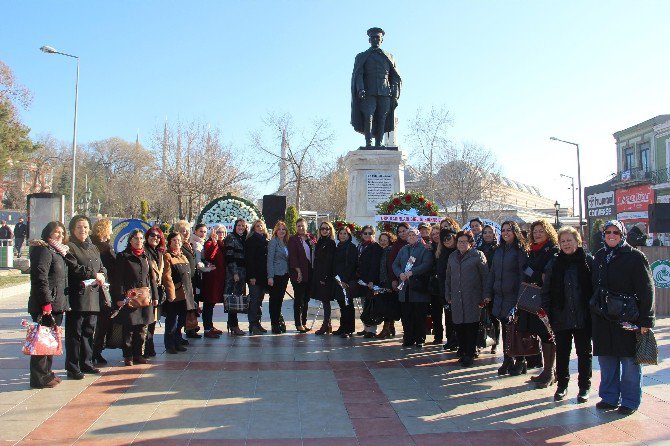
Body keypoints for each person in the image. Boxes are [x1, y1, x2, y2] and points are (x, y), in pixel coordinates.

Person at [591, 220, 654, 415]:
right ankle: (609, 397)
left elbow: (647, 289)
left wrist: (646, 320)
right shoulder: (600, 256)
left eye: (616, 232)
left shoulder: (635, 257)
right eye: (608, 232)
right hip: (603, 319)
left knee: (629, 364)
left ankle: (630, 401)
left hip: (628, 318)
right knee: (607, 362)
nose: (611, 235)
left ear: (622, 235)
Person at [544, 226, 593, 402]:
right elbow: (547, 290)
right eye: (562, 241)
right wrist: (548, 312)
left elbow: (595, 288)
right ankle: (562, 385)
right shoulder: (554, 263)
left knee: (584, 353)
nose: (566, 244)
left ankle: (584, 387)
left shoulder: (587, 261)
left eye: (569, 240)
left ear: (577, 241)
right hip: (561, 315)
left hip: (583, 316)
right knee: (563, 353)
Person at [27, 221, 70, 388]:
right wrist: (46, 303)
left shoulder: (58, 251)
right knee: (42, 341)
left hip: (56, 303)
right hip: (45, 305)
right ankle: (38, 378)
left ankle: (47, 373)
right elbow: (40, 278)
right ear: (48, 233)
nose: (59, 235)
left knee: (50, 340)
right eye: (56, 232)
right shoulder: (44, 250)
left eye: (62, 232)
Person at [64, 215, 107, 379]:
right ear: (73, 230)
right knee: (75, 333)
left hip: (93, 295)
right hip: (77, 296)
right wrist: (93, 274)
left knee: (89, 331)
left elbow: (102, 267)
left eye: (85, 227)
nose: (82, 230)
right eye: (79, 227)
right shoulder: (70, 247)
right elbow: (74, 268)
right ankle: (73, 366)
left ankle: (87, 362)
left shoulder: (93, 247)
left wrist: (102, 274)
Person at [519, 220, 560, 387]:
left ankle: (550, 371)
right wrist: (535, 273)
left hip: (547, 298)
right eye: (535, 231)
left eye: (541, 231)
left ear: (548, 232)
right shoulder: (532, 251)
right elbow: (526, 270)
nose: (537, 234)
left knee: (548, 334)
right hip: (533, 298)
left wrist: (534, 273)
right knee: (540, 333)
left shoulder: (553, 250)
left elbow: (545, 275)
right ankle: (546, 370)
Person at [485, 221, 528, 376]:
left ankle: (520, 360)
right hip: (500, 296)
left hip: (514, 296)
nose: (505, 233)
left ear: (515, 231)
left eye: (509, 230)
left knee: (516, 330)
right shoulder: (498, 250)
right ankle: (508, 358)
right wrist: (488, 292)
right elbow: (492, 273)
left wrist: (520, 298)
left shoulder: (520, 250)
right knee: (505, 330)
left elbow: (523, 276)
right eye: (503, 230)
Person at [350, 27, 401, 147]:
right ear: (369, 40)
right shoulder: (362, 56)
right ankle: (368, 143)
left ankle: (378, 143)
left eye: (378, 37)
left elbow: (395, 76)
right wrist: (360, 88)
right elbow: (359, 74)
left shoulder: (389, 56)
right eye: (373, 38)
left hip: (385, 92)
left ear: (381, 40)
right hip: (368, 92)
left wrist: (394, 90)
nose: (375, 40)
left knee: (382, 117)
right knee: (369, 116)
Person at [113, 229, 157, 366]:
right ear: (130, 240)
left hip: (144, 297)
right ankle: (128, 355)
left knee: (142, 328)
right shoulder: (123, 256)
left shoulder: (146, 256)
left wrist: (155, 296)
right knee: (129, 328)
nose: (139, 241)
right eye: (135, 238)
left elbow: (152, 278)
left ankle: (139, 354)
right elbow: (118, 279)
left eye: (140, 238)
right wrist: (120, 297)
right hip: (129, 297)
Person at [446, 230, 489, 366]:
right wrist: (448, 294)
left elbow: (485, 277)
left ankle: (470, 353)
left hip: (473, 297)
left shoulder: (478, 255)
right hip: (456, 297)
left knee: (471, 326)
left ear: (471, 243)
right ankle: (463, 351)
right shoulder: (452, 256)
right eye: (460, 242)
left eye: (465, 242)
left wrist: (485, 296)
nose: (462, 244)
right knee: (459, 326)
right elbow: (448, 277)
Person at [393, 227, 434, 348]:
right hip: (404, 287)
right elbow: (395, 264)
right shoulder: (403, 249)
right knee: (406, 315)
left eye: (413, 235)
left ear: (418, 236)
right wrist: (399, 273)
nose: (411, 237)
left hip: (418, 288)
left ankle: (420, 338)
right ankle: (408, 338)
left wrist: (413, 272)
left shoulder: (424, 249)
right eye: (409, 235)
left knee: (419, 315)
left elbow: (427, 264)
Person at [162, 232, 195, 354]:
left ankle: (177, 341)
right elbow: (167, 276)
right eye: (175, 240)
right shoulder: (167, 256)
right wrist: (171, 294)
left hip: (186, 293)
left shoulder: (183, 256)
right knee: (172, 321)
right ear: (169, 242)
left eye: (179, 241)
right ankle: (170, 344)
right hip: (175, 294)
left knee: (181, 320)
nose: (177, 243)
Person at [90, 218, 116, 364]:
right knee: (100, 322)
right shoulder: (102, 247)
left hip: (104, 287)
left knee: (101, 322)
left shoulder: (103, 245)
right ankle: (96, 350)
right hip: (102, 287)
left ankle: (96, 350)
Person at [432, 221, 460, 346]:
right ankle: (450, 339)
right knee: (448, 315)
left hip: (459, 289)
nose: (446, 240)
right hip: (444, 289)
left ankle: (458, 341)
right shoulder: (441, 252)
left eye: (449, 237)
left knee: (457, 318)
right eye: (443, 239)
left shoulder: (459, 251)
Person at [174, 220, 200, 341]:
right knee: (181, 310)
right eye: (183, 231)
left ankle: (190, 329)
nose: (186, 233)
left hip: (191, 280)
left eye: (188, 231)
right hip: (182, 283)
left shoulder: (188, 245)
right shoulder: (179, 247)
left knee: (189, 308)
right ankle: (177, 335)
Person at [356, 225, 383, 338]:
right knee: (364, 304)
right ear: (362, 234)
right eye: (365, 233)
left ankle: (372, 330)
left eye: (370, 233)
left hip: (370, 281)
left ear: (373, 234)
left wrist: (371, 281)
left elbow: (374, 265)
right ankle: (366, 328)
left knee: (371, 305)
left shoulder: (375, 247)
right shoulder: (360, 246)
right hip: (362, 280)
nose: (367, 235)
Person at [288, 218, 314, 333]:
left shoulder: (311, 238)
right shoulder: (293, 239)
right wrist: (298, 271)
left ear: (306, 226)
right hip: (298, 273)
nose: (301, 228)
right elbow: (292, 257)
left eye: (302, 226)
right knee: (299, 299)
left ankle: (304, 322)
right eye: (298, 226)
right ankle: (298, 324)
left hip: (310, 272)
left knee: (306, 299)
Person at [332, 226, 358, 337]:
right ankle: (343, 327)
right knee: (342, 305)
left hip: (346, 281)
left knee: (348, 305)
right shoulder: (338, 246)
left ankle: (349, 329)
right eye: (341, 233)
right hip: (338, 280)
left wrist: (345, 280)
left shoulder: (351, 247)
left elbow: (353, 265)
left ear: (349, 235)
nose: (342, 235)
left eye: (345, 233)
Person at [143, 226, 166, 357]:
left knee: (153, 320)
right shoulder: (144, 251)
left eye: (158, 236)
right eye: (152, 235)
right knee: (147, 320)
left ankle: (149, 346)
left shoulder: (159, 253)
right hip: (147, 290)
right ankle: (144, 348)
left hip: (157, 290)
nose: (155, 238)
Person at [201, 225, 227, 338]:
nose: (221, 234)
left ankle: (210, 326)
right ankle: (207, 328)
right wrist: (214, 242)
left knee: (212, 304)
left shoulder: (222, 244)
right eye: (218, 232)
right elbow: (209, 256)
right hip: (211, 278)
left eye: (223, 232)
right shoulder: (210, 243)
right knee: (208, 303)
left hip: (219, 278)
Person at [311, 221, 336, 335]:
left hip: (325, 276)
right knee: (323, 300)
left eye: (327, 229)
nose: (325, 230)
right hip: (318, 274)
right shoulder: (320, 241)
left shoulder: (330, 243)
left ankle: (326, 324)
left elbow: (329, 261)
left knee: (326, 301)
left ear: (330, 230)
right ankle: (328, 324)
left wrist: (324, 277)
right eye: (322, 229)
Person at [478, 224, 500, 353]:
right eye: (485, 232)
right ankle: (482, 341)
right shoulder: (479, 249)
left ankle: (495, 342)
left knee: (493, 317)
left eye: (490, 232)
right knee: (481, 317)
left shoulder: (498, 249)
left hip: (495, 287)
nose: (487, 235)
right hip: (482, 287)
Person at [225, 218, 248, 336]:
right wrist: (234, 273)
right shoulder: (231, 238)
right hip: (234, 274)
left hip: (242, 273)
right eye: (239, 225)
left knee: (237, 299)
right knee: (233, 300)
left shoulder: (244, 238)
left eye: (243, 226)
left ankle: (231, 323)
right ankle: (234, 325)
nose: (241, 227)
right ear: (235, 226)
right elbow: (230, 257)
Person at [387, 222, 410, 336]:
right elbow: (392, 263)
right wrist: (394, 279)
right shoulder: (396, 246)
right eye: (399, 232)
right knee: (404, 308)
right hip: (401, 280)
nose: (402, 234)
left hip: (415, 281)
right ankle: (407, 332)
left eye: (404, 231)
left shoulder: (417, 243)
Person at [246, 220, 269, 335]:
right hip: (254, 276)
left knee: (259, 300)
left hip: (263, 276)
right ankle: (252, 324)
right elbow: (250, 260)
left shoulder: (264, 239)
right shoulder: (252, 240)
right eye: (257, 226)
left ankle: (257, 323)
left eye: (261, 226)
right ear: (253, 228)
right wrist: (251, 276)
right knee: (254, 300)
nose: (260, 228)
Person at [267, 221, 290, 334]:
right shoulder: (273, 242)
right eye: (279, 229)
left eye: (283, 229)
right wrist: (270, 276)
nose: (282, 231)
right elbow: (269, 260)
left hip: (285, 275)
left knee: (280, 300)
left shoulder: (286, 243)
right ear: (276, 231)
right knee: (274, 300)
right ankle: (274, 324)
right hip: (275, 275)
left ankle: (277, 321)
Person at [376, 231, 399, 338]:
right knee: (388, 307)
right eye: (381, 240)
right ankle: (391, 328)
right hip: (383, 283)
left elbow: (390, 268)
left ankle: (386, 329)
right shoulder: (382, 250)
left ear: (390, 240)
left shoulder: (390, 250)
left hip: (388, 283)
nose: (383, 242)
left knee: (388, 307)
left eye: (385, 240)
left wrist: (389, 284)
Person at [188, 223, 209, 339]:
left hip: (198, 275)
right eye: (201, 231)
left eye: (205, 232)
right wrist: (207, 269)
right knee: (193, 301)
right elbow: (198, 261)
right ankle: (190, 327)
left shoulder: (200, 243)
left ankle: (193, 326)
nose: (203, 234)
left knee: (195, 302)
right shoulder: (195, 244)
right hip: (195, 276)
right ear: (195, 231)